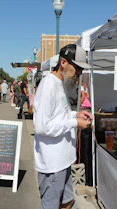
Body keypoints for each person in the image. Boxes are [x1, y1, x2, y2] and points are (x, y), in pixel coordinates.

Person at [33, 44, 93, 209]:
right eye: (78, 68)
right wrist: (74, 123)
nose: (79, 73)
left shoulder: (62, 84)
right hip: (52, 162)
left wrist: (76, 115)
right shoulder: (48, 86)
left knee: (67, 201)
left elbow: (59, 115)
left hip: (64, 159)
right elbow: (42, 127)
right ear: (64, 62)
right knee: (51, 204)